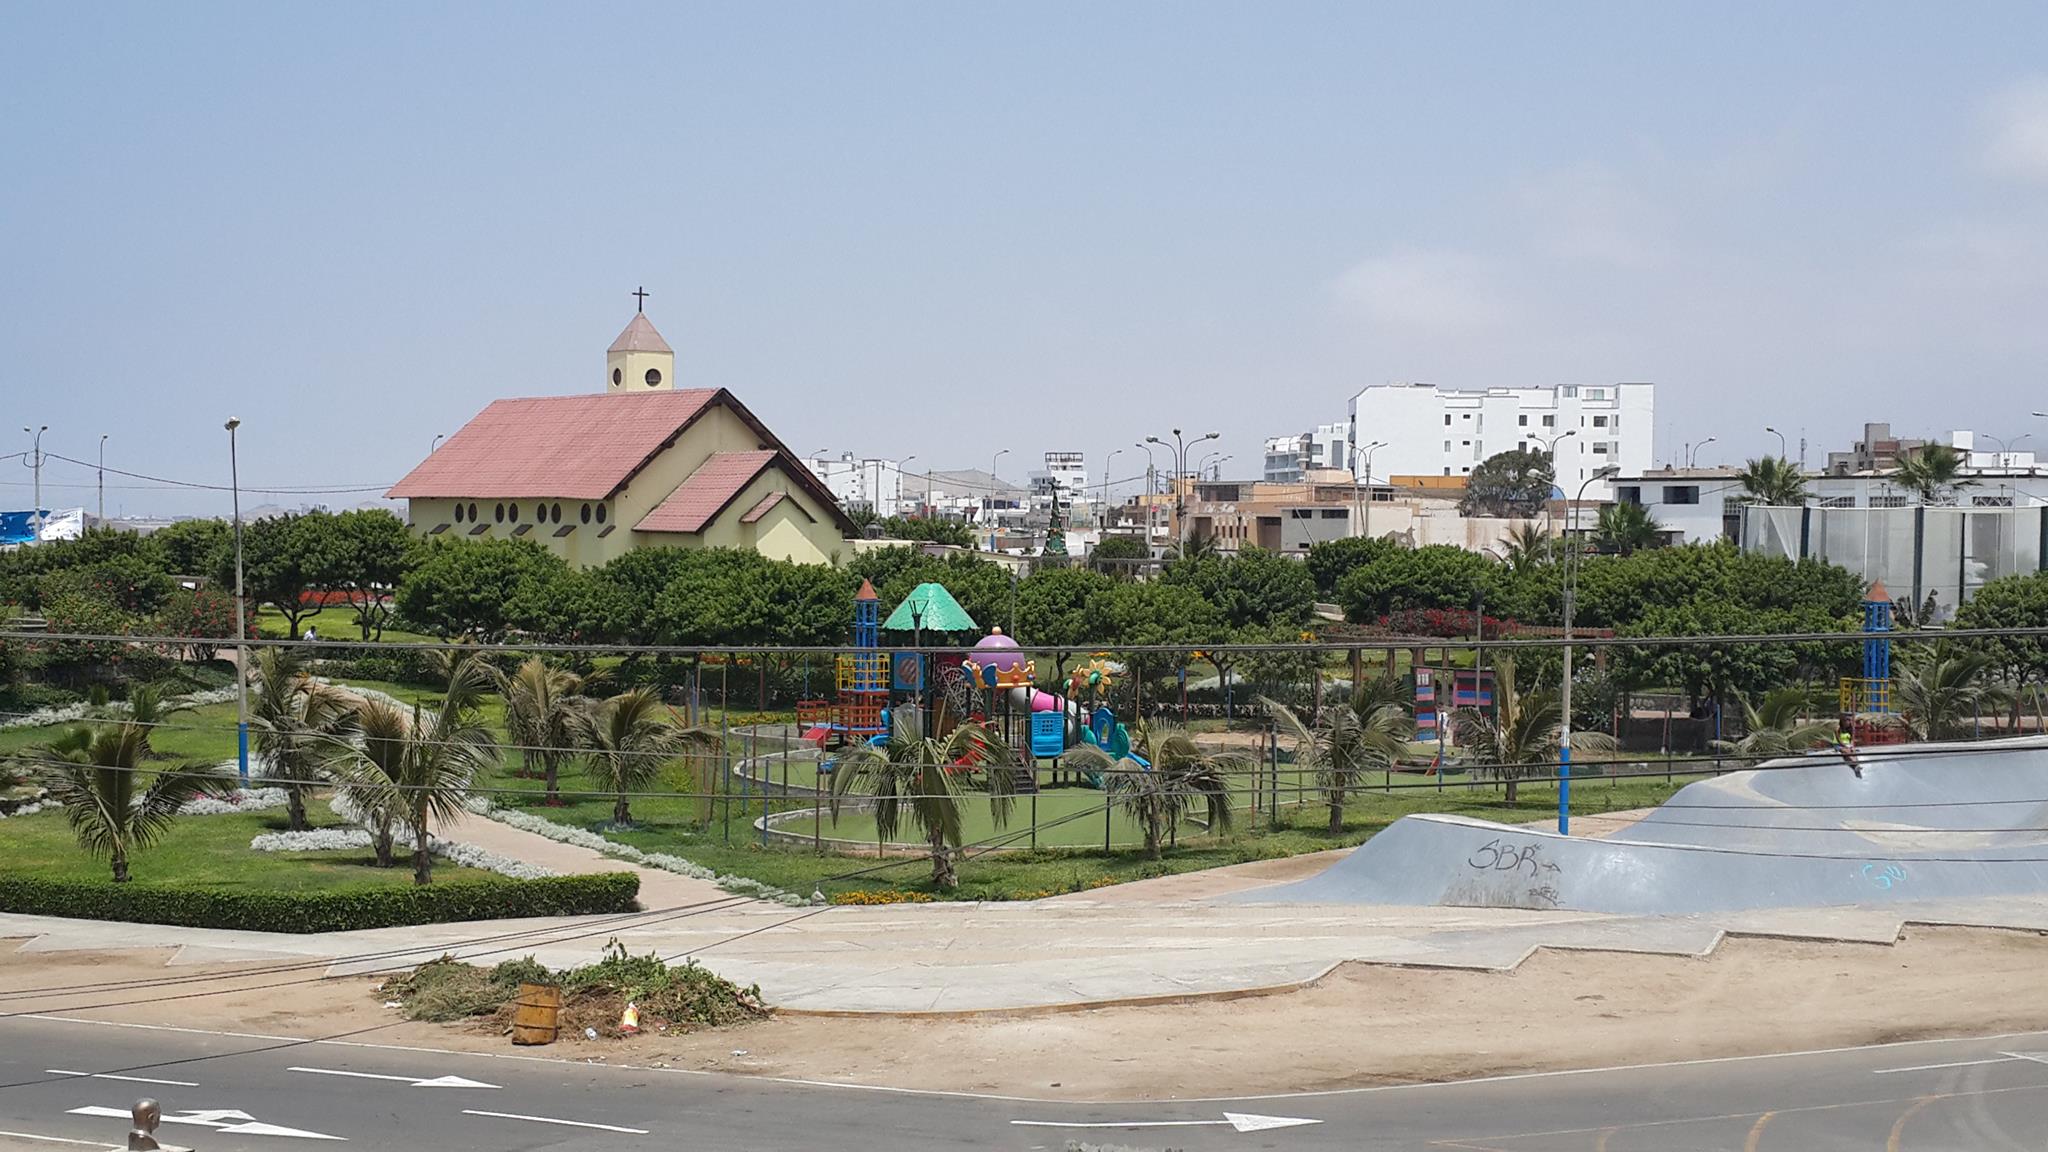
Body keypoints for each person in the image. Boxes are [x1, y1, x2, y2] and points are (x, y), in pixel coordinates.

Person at [1836, 713, 1863, 779]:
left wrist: (1851, 745)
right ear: (1843, 721)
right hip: (1838, 744)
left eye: (1849, 721)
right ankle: (1856, 766)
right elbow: (1838, 740)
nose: (1849, 722)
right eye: (1847, 721)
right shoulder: (1838, 729)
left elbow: (1852, 739)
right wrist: (1845, 746)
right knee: (1846, 752)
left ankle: (1856, 766)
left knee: (1853, 751)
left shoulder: (1851, 728)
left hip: (1847, 744)